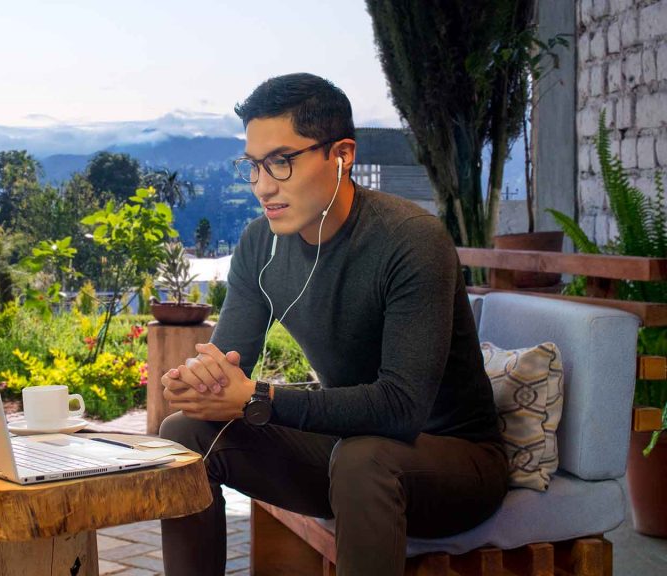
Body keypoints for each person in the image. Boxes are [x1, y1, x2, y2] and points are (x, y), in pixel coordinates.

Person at [158, 73, 508, 576]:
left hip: (456, 465)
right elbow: (228, 367)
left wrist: (259, 398)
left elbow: (401, 409)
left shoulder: (411, 240)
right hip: (348, 448)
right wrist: (200, 384)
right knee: (184, 433)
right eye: (253, 166)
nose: (263, 186)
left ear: (341, 155)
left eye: (281, 161)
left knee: (365, 459)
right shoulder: (260, 244)